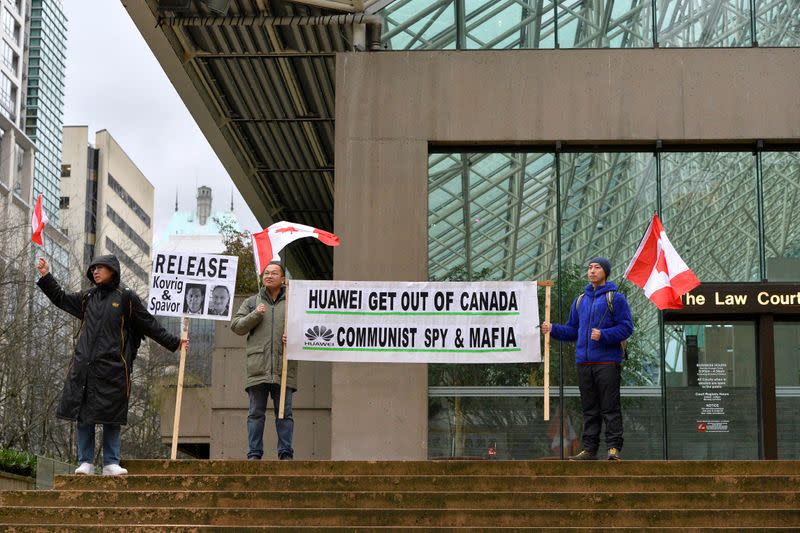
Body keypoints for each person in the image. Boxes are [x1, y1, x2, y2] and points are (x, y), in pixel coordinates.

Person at [36, 255, 188, 475]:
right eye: (93, 268)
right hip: (85, 366)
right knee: (83, 415)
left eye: (100, 268)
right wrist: (46, 275)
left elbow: (149, 324)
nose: (95, 271)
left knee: (112, 415)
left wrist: (175, 343)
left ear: (112, 271)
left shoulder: (126, 297)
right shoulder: (87, 296)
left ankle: (110, 462)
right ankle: (85, 462)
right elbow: (61, 298)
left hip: (114, 369)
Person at [542, 257, 633, 461]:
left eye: (597, 267)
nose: (592, 271)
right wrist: (553, 329)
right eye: (590, 267)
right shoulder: (580, 300)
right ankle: (589, 450)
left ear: (605, 272)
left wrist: (604, 334)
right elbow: (572, 330)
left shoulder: (615, 298)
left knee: (610, 406)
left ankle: (613, 448)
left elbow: (627, 327)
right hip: (584, 362)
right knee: (589, 408)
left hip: (607, 361)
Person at [231, 260, 298, 460]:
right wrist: (255, 315)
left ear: (283, 279)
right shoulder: (253, 302)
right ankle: (254, 454)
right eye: (266, 273)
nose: (268, 276)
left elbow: (308, 330)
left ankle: (285, 454)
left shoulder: (293, 302)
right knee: (255, 414)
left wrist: (294, 337)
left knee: (284, 414)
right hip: (257, 366)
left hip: (284, 366)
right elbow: (237, 326)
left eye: (274, 273)